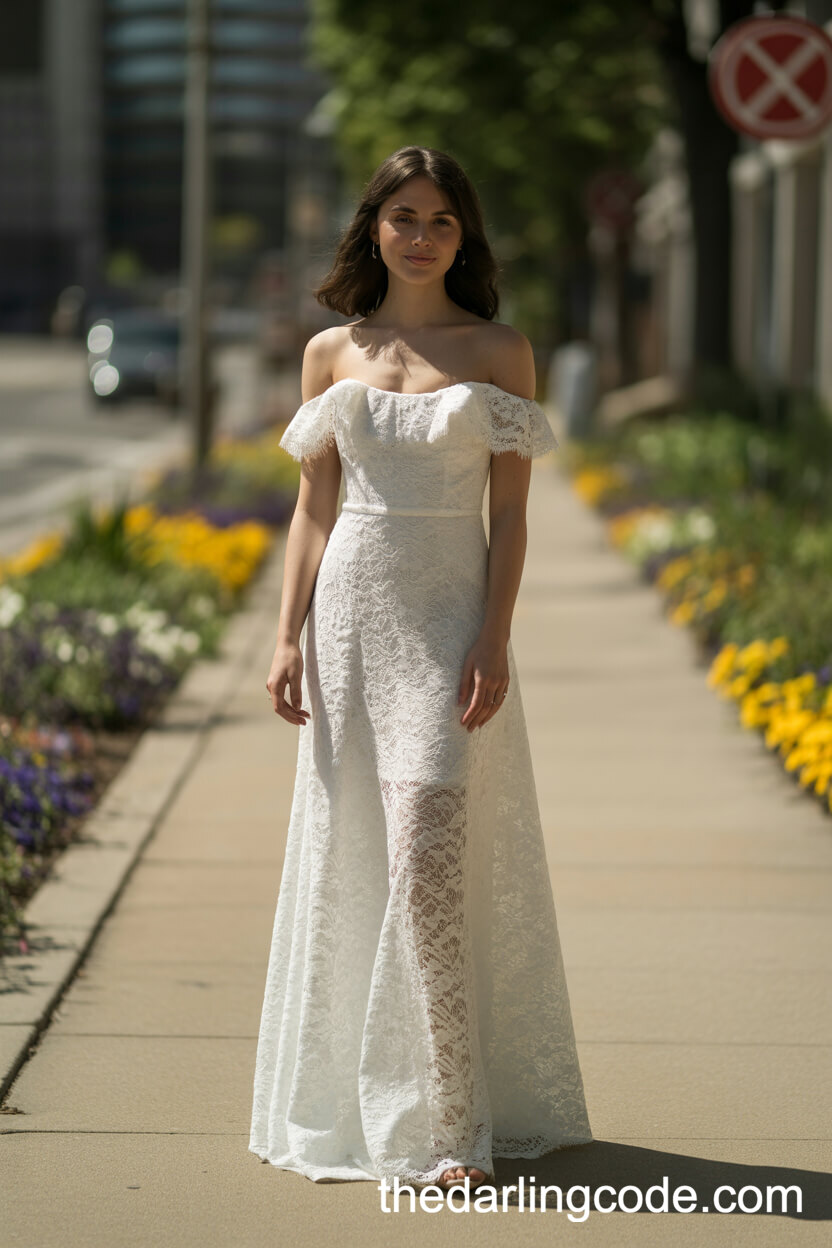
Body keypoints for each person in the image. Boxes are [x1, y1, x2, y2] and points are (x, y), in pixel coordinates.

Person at [249, 145, 592, 1194]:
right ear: (373, 228)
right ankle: (368, 1106)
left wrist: (494, 638)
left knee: (429, 866)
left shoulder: (499, 351)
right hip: (349, 624)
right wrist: (284, 634)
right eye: (403, 215)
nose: (420, 235)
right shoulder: (329, 355)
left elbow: (513, 514)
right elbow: (313, 507)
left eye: (440, 219)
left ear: (462, 237)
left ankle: (449, 1125)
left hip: (446, 631)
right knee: (361, 856)